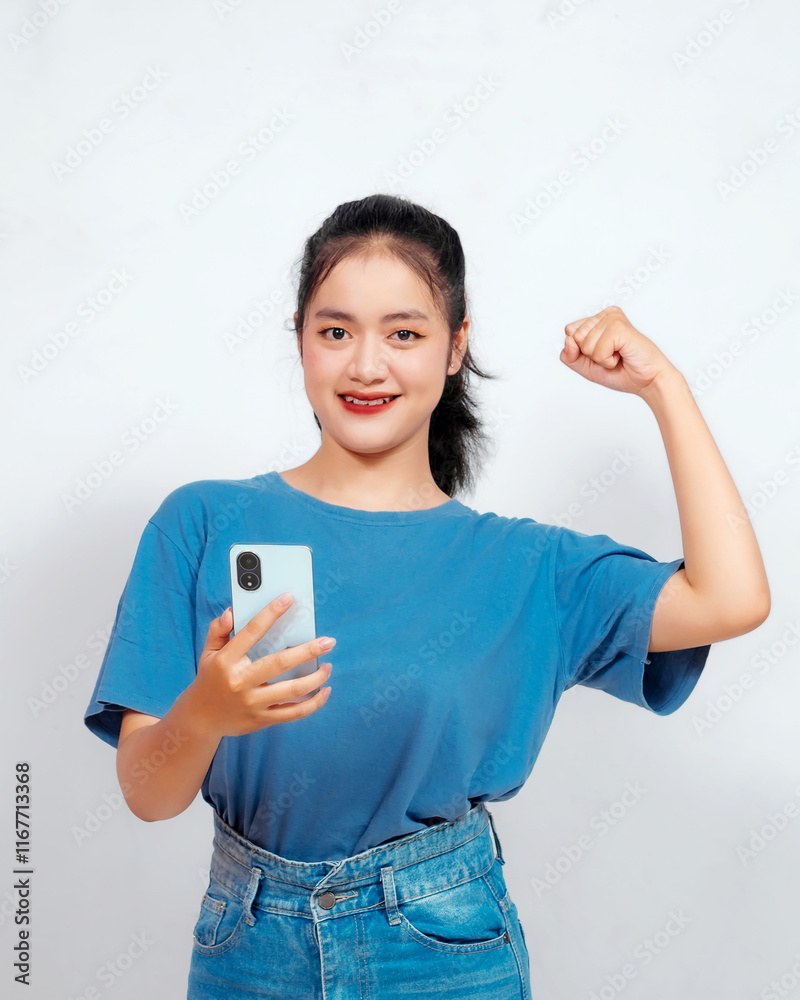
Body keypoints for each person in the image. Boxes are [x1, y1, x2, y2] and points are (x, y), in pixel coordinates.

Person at [83, 193, 770, 999]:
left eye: (404, 334)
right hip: (249, 950)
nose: (366, 366)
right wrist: (204, 713)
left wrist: (664, 386)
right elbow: (147, 796)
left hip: (442, 951)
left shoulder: (527, 567)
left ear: (456, 347)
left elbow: (731, 598)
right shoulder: (201, 523)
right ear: (300, 340)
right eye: (335, 331)